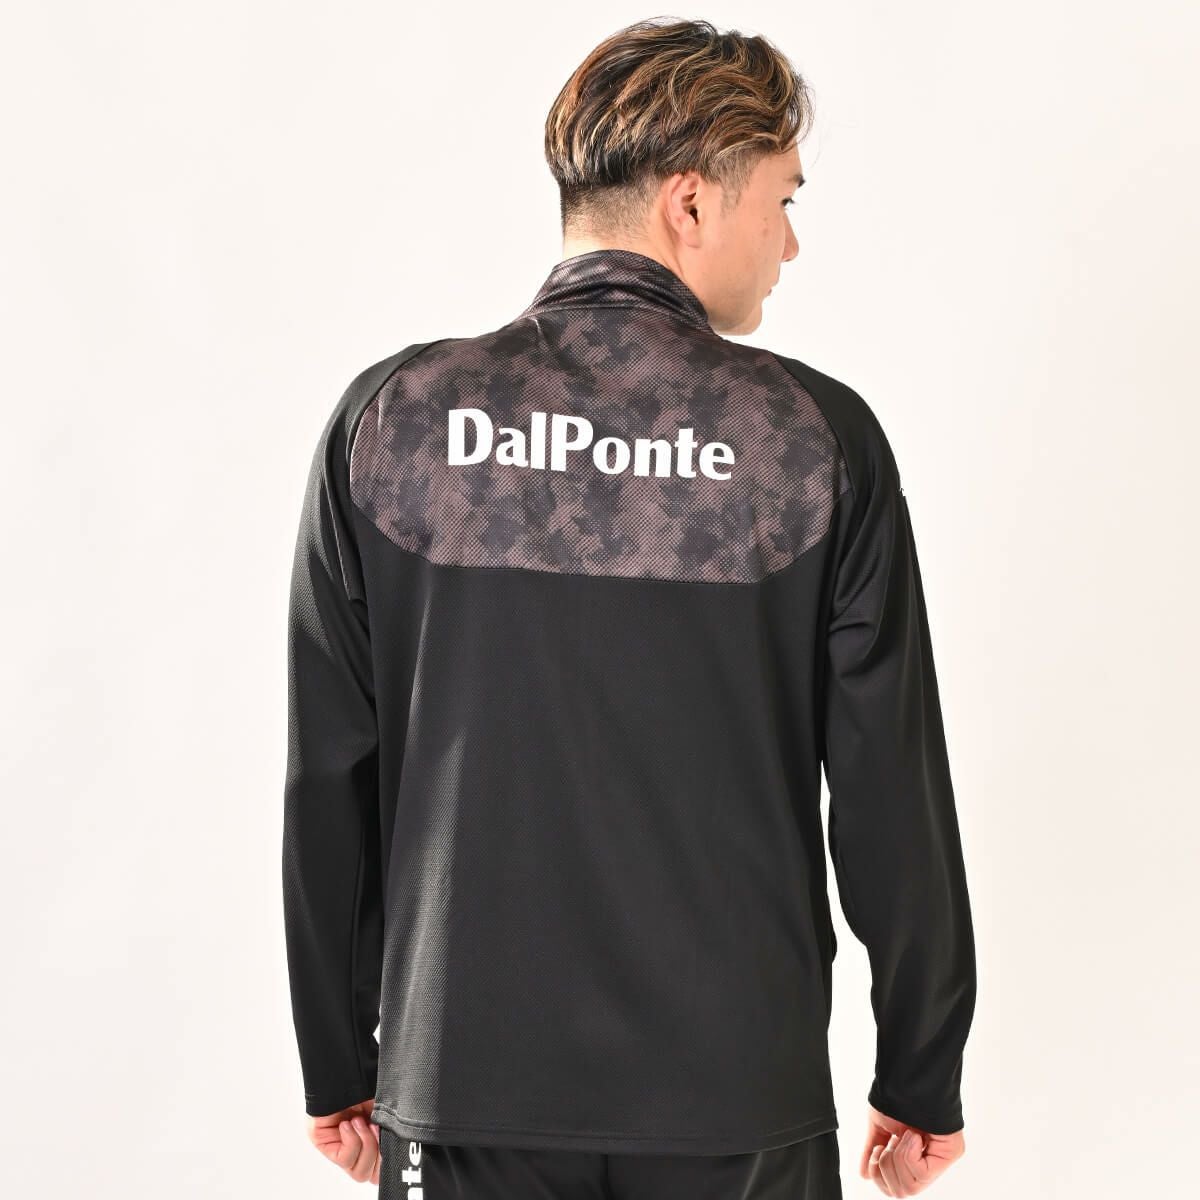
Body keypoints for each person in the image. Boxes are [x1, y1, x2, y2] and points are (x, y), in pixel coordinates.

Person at [282, 17, 977, 1199]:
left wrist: (338, 1057)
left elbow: (333, 771)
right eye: (783, 200)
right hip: (738, 1099)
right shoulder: (812, 442)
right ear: (691, 203)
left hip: (461, 1084)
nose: (791, 242)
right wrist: (922, 1073)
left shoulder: (393, 420)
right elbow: (888, 790)